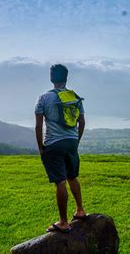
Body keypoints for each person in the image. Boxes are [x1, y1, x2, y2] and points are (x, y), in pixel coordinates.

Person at [35, 64, 87, 233]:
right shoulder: (74, 97)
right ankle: (80, 210)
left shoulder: (44, 98)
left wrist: (41, 147)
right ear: (66, 78)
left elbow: (38, 125)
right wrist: (75, 141)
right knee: (72, 177)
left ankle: (63, 222)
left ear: (51, 78)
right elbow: (82, 122)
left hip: (54, 143)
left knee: (60, 182)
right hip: (71, 142)